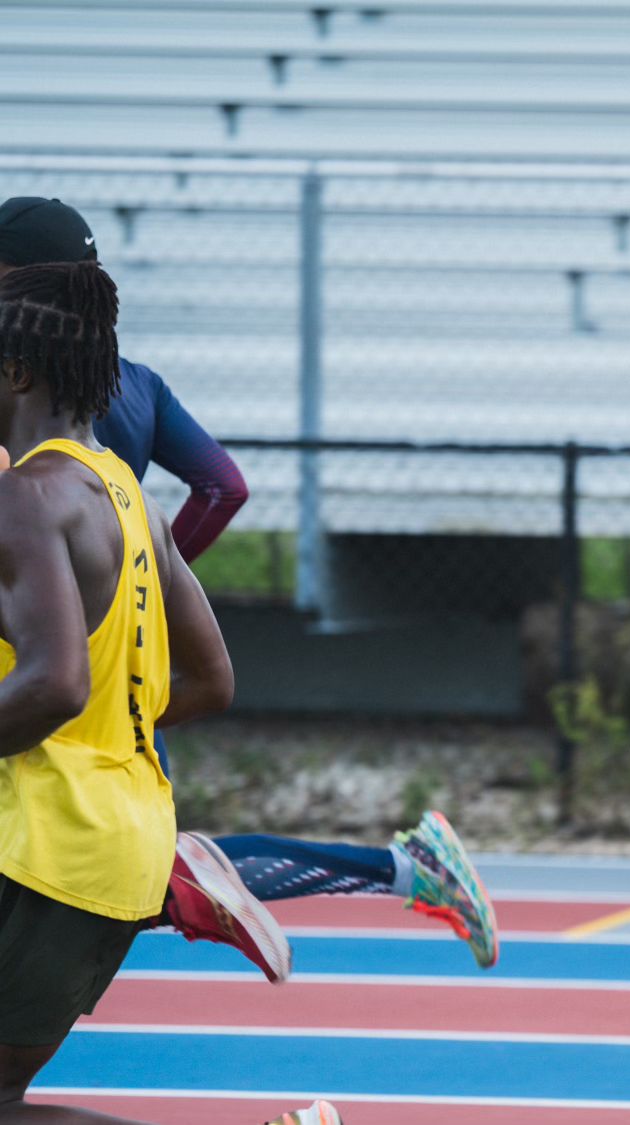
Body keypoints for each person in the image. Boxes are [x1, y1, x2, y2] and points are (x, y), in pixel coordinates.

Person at [0, 195, 498, 977]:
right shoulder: (126, 387)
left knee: (84, 863)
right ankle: (386, 868)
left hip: (39, 674)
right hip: (118, 671)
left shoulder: (22, 411)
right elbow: (223, 486)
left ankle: (209, 882)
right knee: (112, 865)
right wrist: (147, 592)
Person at [0, 259, 339, 1125]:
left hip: (42, 849)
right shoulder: (132, 498)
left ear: (15, 371)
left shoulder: (29, 497)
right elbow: (210, 679)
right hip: (129, 847)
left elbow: (54, 683)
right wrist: (109, 727)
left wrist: (72, 725)